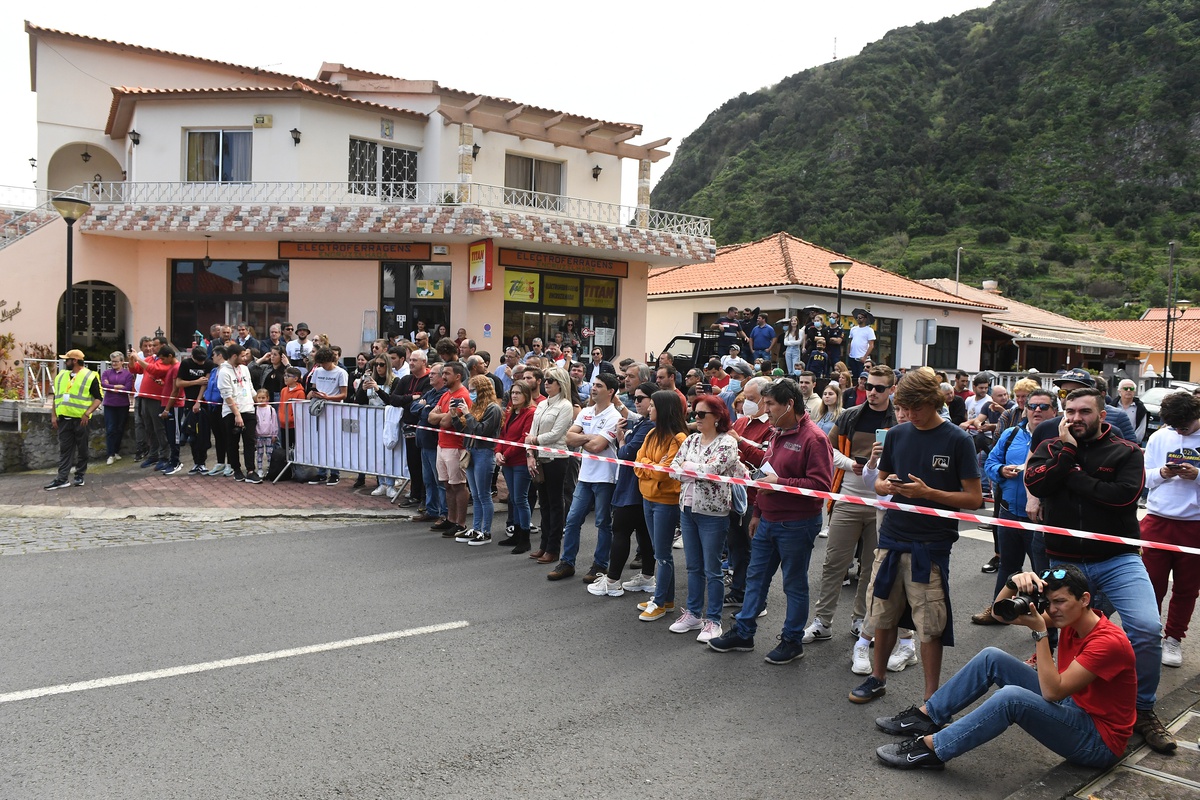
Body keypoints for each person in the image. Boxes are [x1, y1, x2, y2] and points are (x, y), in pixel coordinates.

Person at [1025, 387, 1176, 754]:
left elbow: (1119, 497)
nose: (1076, 418)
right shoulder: (1051, 446)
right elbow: (1035, 483)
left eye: (1084, 412)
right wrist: (1069, 455)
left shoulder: (1127, 451)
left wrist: (1070, 473)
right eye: (1070, 411)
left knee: (1146, 627)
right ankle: (1072, 697)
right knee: (1060, 629)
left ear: (1102, 415)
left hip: (1117, 558)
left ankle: (1142, 709)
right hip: (1064, 559)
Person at [875, 566, 1136, 773]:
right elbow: (1001, 615)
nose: (1052, 609)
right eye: (1048, 602)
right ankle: (927, 717)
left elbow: (1052, 691)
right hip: (1075, 706)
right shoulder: (1070, 617)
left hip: (1099, 741)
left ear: (1084, 599)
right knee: (992, 657)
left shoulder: (1107, 642)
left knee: (1011, 698)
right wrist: (1012, 583)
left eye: (1060, 601)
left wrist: (1040, 632)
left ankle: (933, 750)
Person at [850, 367, 982, 705]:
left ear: (934, 402)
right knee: (882, 613)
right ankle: (877, 679)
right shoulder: (896, 434)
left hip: (931, 545)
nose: (910, 416)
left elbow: (974, 499)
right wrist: (886, 485)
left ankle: (932, 696)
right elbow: (878, 482)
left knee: (930, 625)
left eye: (916, 409)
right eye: (904, 409)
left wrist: (928, 493)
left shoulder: (958, 439)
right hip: (892, 539)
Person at [708, 378, 834, 665]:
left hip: (798, 523)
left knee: (794, 584)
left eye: (770, 404)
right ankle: (743, 631)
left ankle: (792, 640)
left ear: (789, 405)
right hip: (769, 520)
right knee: (756, 578)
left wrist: (781, 483)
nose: (764, 408)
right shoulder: (779, 432)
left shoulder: (814, 438)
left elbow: (821, 486)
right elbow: (767, 474)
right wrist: (758, 513)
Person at [811, 364, 899, 671]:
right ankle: (823, 621)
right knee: (834, 562)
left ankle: (860, 620)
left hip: (883, 505)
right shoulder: (849, 415)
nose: (872, 393)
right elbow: (827, 449)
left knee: (871, 569)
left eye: (879, 388)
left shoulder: (897, 420)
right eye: (869, 387)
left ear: (892, 390)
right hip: (847, 498)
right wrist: (852, 464)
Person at [972, 389, 1058, 625]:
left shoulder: (1060, 439)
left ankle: (1045, 624)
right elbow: (990, 462)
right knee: (1008, 566)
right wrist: (1001, 471)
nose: (1036, 411)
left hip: (1041, 519)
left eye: (1043, 406)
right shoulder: (1011, 434)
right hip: (1010, 513)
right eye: (1032, 406)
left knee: (1043, 574)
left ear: (1055, 411)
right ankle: (998, 611)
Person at [668, 395, 745, 642]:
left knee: (712, 569)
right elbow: (674, 469)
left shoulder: (727, 443)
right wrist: (694, 469)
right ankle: (693, 613)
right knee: (693, 566)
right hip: (688, 510)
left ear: (718, 417)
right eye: (695, 413)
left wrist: (689, 468)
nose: (696, 418)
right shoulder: (690, 440)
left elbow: (712, 471)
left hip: (713, 512)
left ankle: (713, 619)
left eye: (702, 414)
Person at [1141, 390, 1200, 670]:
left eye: (1184, 427)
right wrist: (1163, 473)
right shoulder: (1159, 437)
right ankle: (1148, 636)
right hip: (1157, 520)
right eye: (1174, 426)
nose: (1178, 431)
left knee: (1187, 588)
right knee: (1150, 585)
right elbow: (1145, 478)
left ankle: (1174, 638)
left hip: (1195, 523)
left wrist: (1197, 476)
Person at [548, 372, 622, 581]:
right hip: (585, 476)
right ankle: (567, 562)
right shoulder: (586, 411)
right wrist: (589, 437)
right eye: (594, 384)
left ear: (610, 391)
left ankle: (600, 565)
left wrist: (582, 438)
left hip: (605, 478)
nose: (594, 388)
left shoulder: (614, 417)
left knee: (603, 523)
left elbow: (598, 447)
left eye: (599, 385)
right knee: (572, 520)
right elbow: (568, 438)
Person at [590, 383, 662, 597]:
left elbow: (627, 453)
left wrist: (621, 438)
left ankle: (612, 581)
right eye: (635, 398)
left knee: (620, 531)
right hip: (636, 486)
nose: (637, 401)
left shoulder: (649, 426)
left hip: (633, 488)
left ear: (654, 401)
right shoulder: (644, 422)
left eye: (641, 398)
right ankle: (648, 576)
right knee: (643, 534)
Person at [526, 366, 575, 563]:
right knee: (543, 503)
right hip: (539, 457)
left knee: (555, 504)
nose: (546, 383)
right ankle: (544, 544)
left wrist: (534, 441)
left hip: (556, 459)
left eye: (550, 380)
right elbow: (531, 431)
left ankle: (553, 548)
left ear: (560, 384)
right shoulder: (541, 405)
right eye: (545, 379)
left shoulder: (565, 406)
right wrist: (530, 451)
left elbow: (556, 434)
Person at [451, 375, 503, 546]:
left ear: (482, 390)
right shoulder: (475, 407)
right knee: (476, 494)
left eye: (473, 390)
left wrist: (467, 413)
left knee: (484, 494)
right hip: (472, 451)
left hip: (484, 453)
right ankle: (476, 528)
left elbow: (481, 431)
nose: (471, 393)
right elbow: (466, 429)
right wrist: (454, 416)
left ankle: (486, 531)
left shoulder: (493, 409)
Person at [44, 349, 103, 491]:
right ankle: (62, 478)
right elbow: (56, 397)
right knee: (65, 449)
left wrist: (87, 413)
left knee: (82, 449)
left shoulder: (90, 376)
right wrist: (53, 415)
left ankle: (79, 475)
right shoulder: (61, 376)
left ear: (75, 361)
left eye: (67, 359)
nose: (65, 362)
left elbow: (98, 398)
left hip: (81, 420)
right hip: (64, 419)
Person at [428, 361, 472, 537]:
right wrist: (439, 416)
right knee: (447, 485)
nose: (442, 377)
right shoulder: (446, 395)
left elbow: (446, 422)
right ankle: (451, 519)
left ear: (458, 376)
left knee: (458, 485)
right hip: (442, 445)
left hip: (456, 447)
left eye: (446, 373)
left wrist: (438, 416)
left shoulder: (461, 396)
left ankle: (461, 523)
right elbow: (430, 418)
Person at [496, 381, 537, 554]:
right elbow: (502, 434)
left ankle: (525, 538)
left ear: (526, 395)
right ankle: (516, 532)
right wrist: (498, 451)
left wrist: (506, 453)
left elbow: (523, 439)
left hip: (520, 461)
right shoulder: (510, 411)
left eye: (518, 393)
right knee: (514, 498)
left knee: (521, 499)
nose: (514, 396)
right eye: (513, 392)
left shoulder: (530, 413)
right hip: (507, 462)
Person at [305, 347, 349, 487]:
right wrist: (314, 394)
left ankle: (335, 473)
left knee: (333, 442)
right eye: (320, 363)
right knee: (320, 441)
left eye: (324, 363)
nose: (322, 365)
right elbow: (314, 387)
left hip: (334, 410)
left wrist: (328, 397)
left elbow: (344, 394)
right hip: (320, 408)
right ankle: (321, 472)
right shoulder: (317, 371)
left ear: (331, 360)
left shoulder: (341, 373)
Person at [412, 363, 449, 527]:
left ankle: (444, 513)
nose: (429, 376)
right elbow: (413, 407)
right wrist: (424, 407)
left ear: (442, 376)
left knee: (439, 480)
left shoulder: (443, 394)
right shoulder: (431, 392)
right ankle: (431, 509)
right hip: (424, 443)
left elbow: (431, 416)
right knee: (428, 480)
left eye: (433, 373)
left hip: (434, 443)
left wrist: (425, 407)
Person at [217, 343, 256, 482]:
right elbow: (227, 396)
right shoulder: (223, 372)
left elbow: (250, 388)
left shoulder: (245, 369)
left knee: (250, 441)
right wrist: (237, 414)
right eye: (243, 355)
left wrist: (259, 401)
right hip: (231, 412)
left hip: (248, 409)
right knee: (232, 442)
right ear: (234, 356)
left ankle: (251, 470)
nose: (245, 358)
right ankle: (237, 469)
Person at [100, 351, 135, 465]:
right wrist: (116, 386)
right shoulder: (106, 372)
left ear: (121, 362)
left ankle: (116, 451)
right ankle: (110, 454)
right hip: (109, 404)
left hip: (122, 405)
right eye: (112, 362)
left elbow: (128, 388)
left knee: (120, 429)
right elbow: (104, 385)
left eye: (116, 361)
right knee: (110, 429)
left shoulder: (127, 375)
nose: (114, 364)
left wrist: (112, 387)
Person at [248, 388, 277, 484]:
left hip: (269, 435)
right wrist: (254, 435)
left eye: (263, 398)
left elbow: (274, 422)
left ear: (267, 398)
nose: (261, 400)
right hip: (259, 435)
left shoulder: (271, 409)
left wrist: (274, 434)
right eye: (259, 398)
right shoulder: (255, 409)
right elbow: (254, 423)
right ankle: (259, 469)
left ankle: (270, 469)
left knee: (269, 453)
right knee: (259, 453)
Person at [1115, 378, 1148, 443]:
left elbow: (1141, 430)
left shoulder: (1140, 409)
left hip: (1132, 445)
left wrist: (1132, 443)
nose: (1129, 390)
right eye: (1125, 388)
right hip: (1114, 443)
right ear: (1119, 391)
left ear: (1134, 392)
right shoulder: (1113, 406)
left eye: (1131, 389)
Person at [846, 312, 875, 378]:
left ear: (865, 319)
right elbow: (850, 342)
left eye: (860, 318)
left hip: (861, 357)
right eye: (857, 318)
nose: (858, 319)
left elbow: (871, 345)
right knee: (854, 375)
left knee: (862, 375)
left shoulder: (869, 330)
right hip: (852, 357)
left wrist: (865, 357)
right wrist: (848, 353)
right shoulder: (853, 329)